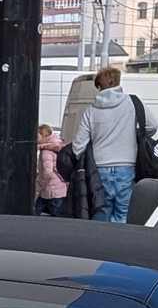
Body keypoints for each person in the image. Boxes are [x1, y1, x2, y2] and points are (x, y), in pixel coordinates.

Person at [74, 66, 143, 222]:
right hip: (127, 167)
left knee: (101, 211)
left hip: (99, 170)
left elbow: (78, 147)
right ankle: (120, 244)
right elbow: (152, 125)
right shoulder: (133, 103)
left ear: (99, 86)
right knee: (124, 213)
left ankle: (99, 243)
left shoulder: (91, 111)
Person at [34, 123, 70, 215]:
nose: (36, 138)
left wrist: (41, 183)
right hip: (59, 186)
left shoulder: (46, 151)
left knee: (39, 210)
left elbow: (47, 172)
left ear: (43, 135)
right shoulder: (56, 146)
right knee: (42, 209)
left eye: (37, 135)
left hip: (50, 188)